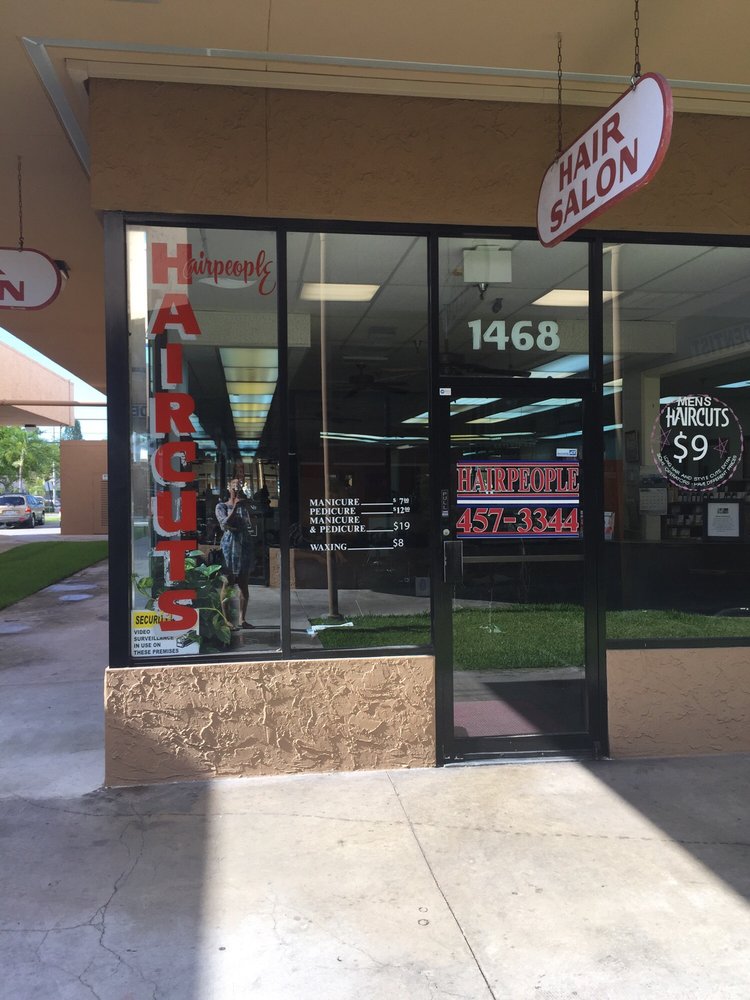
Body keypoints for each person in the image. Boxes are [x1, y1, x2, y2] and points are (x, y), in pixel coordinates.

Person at [215, 478, 256, 629]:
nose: (237, 490)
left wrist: (247, 507)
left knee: (244, 583)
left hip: (244, 544)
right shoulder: (221, 506)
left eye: (239, 487)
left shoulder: (244, 506)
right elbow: (225, 523)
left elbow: (252, 523)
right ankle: (226, 619)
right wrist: (235, 507)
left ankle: (242, 619)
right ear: (228, 488)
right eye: (234, 487)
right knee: (228, 581)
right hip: (229, 546)